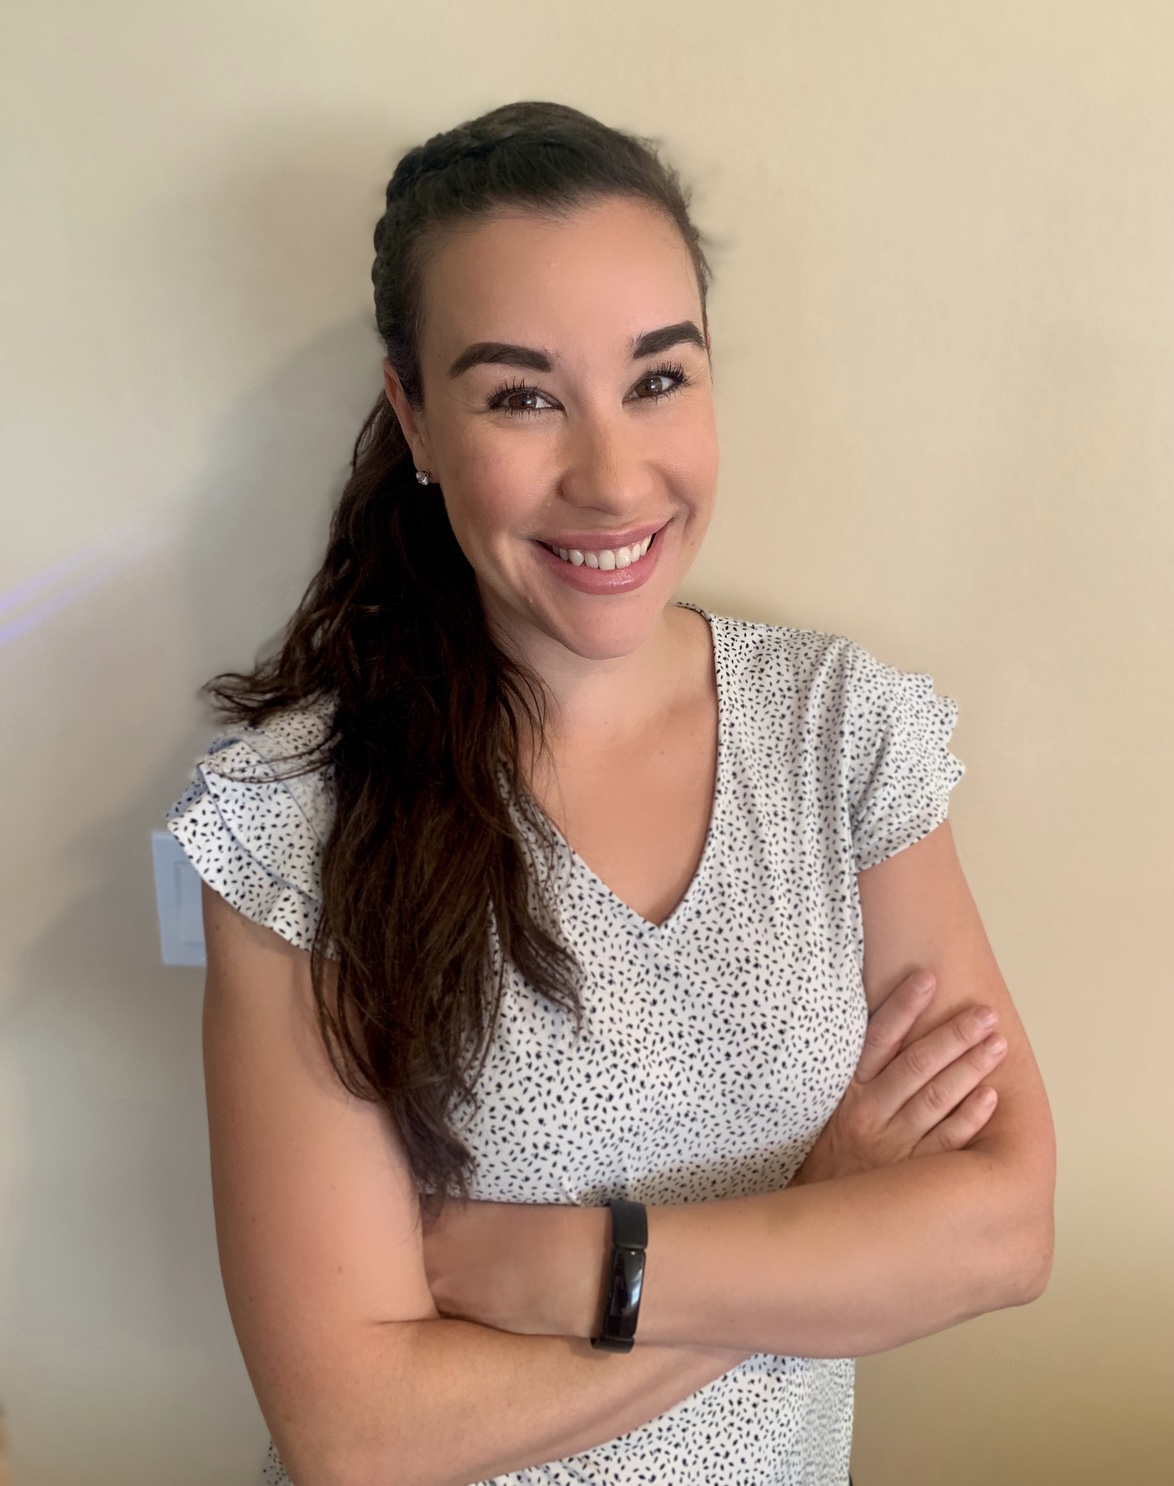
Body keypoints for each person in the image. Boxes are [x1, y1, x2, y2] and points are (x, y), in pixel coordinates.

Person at [166, 101, 1055, 1486]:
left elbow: (1001, 1231)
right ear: (414, 417)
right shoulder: (297, 817)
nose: (613, 477)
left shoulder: (841, 734)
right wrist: (819, 1215)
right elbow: (359, 1434)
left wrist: (588, 1265)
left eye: (657, 379)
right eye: (521, 395)